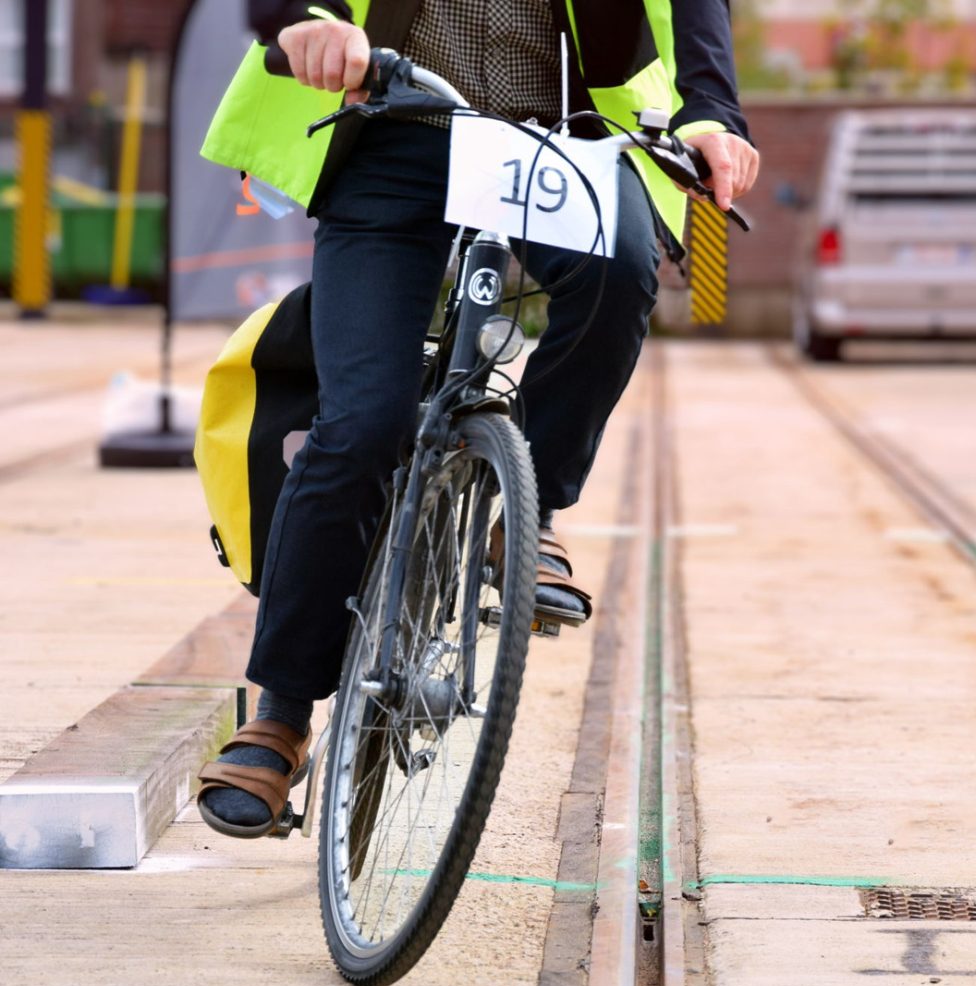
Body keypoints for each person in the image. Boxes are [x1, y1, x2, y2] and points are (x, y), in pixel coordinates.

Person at [196, 0, 759, 838]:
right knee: (360, 423)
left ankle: (527, 516)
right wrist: (300, 17)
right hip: (394, 125)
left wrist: (711, 112)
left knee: (621, 271)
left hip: (560, 138)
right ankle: (281, 711)